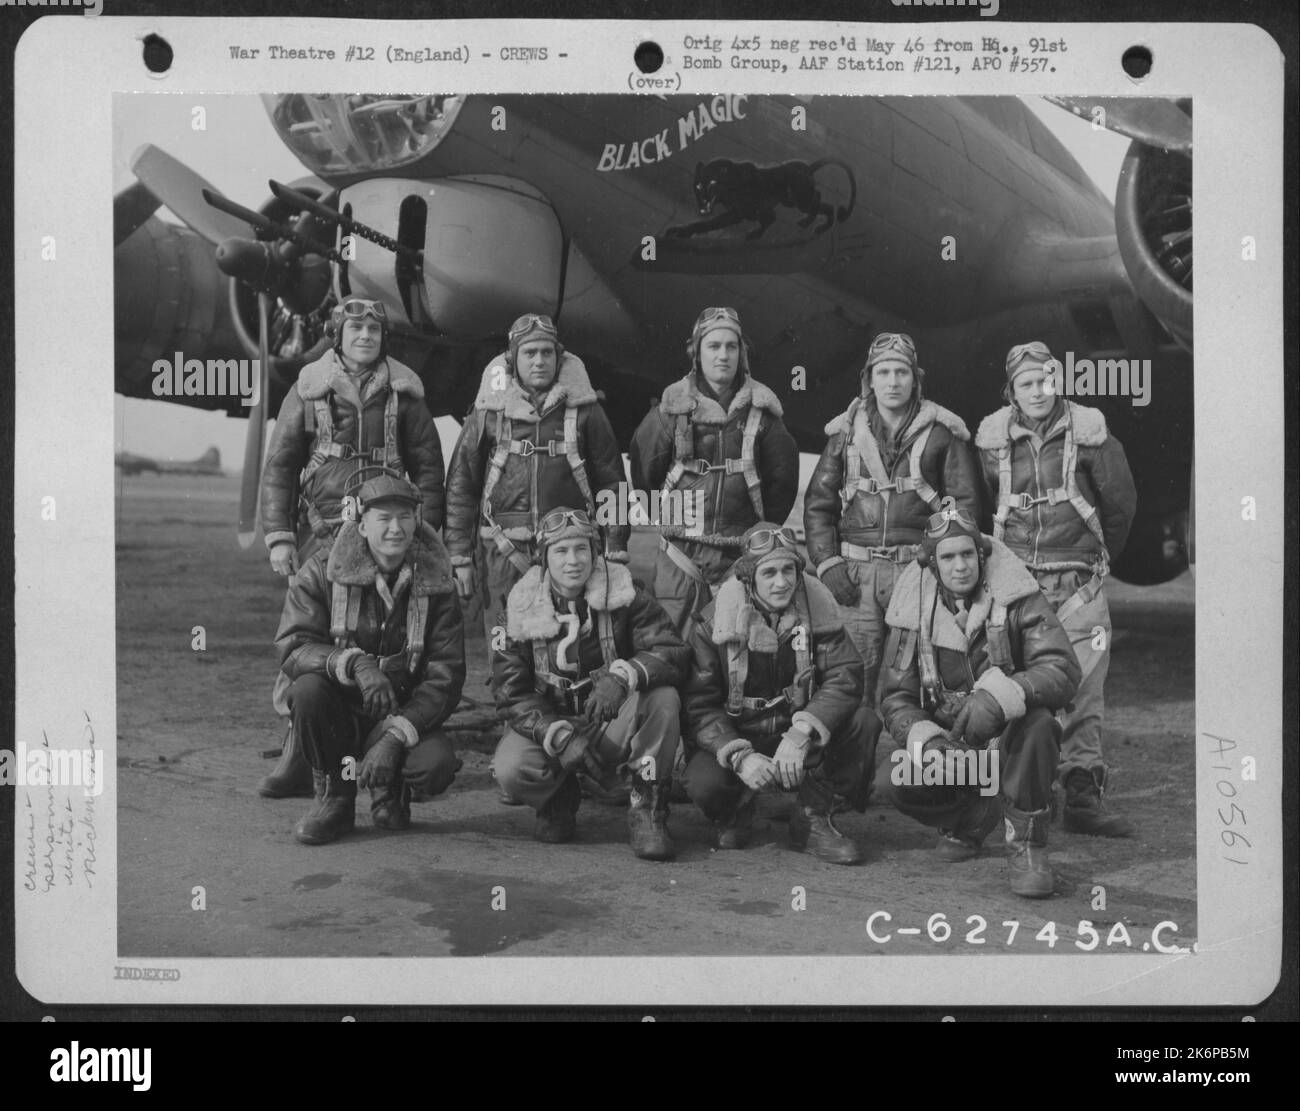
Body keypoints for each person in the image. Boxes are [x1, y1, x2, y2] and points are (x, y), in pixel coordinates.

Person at [257, 298, 446, 798]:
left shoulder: (405, 392)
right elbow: (280, 465)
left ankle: (383, 743)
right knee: (305, 640)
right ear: (337, 334)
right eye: (355, 327)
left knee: (387, 629)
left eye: (374, 329)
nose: (365, 336)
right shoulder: (307, 389)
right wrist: (279, 536)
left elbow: (428, 464)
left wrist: (427, 531)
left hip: (385, 534)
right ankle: (299, 752)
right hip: (321, 529)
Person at [974, 342, 1138, 837]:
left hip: (1078, 583)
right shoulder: (991, 442)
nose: (1038, 390)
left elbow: (1120, 505)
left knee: (1084, 692)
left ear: (1059, 380)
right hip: (1017, 585)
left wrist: (1092, 559)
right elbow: (984, 507)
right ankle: (1023, 794)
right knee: (1013, 686)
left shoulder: (1093, 436)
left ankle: (1083, 793)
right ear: (1012, 392)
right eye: (1026, 384)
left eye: (1046, 379)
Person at [880, 499, 1081, 897]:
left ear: (982, 553)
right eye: (949, 557)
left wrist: (1001, 696)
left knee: (1040, 723)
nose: (961, 566)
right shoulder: (913, 607)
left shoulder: (1018, 595)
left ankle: (1027, 846)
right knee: (893, 779)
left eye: (968, 554)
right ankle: (972, 815)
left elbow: (1062, 668)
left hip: (1009, 745)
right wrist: (929, 742)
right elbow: (894, 697)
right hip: (956, 747)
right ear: (933, 564)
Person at [274, 469, 466, 845]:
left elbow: (447, 674)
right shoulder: (320, 571)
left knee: (435, 764)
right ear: (361, 526)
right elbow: (293, 647)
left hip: (402, 709)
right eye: (383, 519)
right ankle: (337, 799)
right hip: (339, 712)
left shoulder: (438, 581)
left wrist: (395, 737)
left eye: (405, 517)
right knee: (306, 693)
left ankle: (390, 790)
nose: (395, 529)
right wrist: (354, 664)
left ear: (417, 522)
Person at [490, 508, 689, 860]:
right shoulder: (518, 606)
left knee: (663, 698)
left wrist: (623, 675)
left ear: (595, 553)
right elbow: (509, 692)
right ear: (543, 557)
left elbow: (671, 650)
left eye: (582, 549)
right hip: (554, 725)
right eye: (561, 551)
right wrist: (558, 735)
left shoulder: (626, 593)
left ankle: (647, 807)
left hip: (610, 723)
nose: (573, 561)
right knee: (510, 769)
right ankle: (558, 796)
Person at [681, 522, 879, 864]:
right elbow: (698, 704)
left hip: (796, 737)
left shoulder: (818, 612)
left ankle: (813, 815)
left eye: (789, 570)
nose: (782, 582)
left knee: (863, 721)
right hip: (741, 735)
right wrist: (739, 756)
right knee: (703, 783)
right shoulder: (713, 625)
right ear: (748, 578)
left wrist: (804, 728)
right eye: (769, 572)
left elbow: (845, 676)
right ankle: (736, 808)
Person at [804, 331, 981, 708]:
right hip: (856, 574)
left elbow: (963, 509)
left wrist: (941, 567)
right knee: (853, 680)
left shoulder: (942, 435)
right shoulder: (845, 435)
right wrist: (827, 562)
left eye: (901, 372)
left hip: (917, 573)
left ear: (915, 379)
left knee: (921, 678)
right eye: (883, 372)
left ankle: (922, 761)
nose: (892, 381)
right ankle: (854, 768)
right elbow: (820, 503)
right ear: (869, 380)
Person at [445, 314, 629, 642]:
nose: (539, 361)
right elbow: (462, 485)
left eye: (547, 352)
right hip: (502, 549)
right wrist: (459, 554)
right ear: (514, 360)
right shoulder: (488, 412)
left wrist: (614, 545)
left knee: (566, 646)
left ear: (559, 357)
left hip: (566, 546)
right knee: (505, 649)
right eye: (530, 353)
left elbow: (612, 482)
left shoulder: (586, 411)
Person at [630, 307, 799, 636]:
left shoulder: (764, 415)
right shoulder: (669, 412)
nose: (723, 355)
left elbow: (782, 485)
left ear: (741, 353)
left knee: (735, 655)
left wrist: (754, 537)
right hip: (680, 558)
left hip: (740, 560)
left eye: (731, 346)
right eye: (713, 346)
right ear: (696, 353)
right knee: (672, 649)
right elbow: (644, 477)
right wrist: (674, 525)